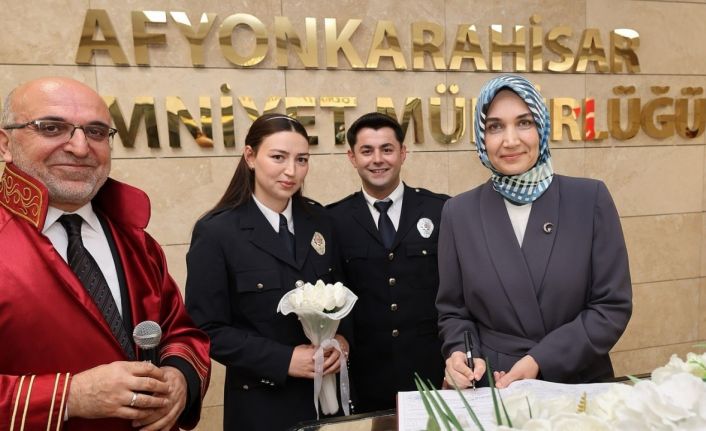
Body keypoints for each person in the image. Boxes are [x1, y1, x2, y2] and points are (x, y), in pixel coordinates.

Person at [0, 77, 210, 431]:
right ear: (5, 144)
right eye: (52, 128)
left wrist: (180, 378)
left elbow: (180, 331)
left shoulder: (136, 241)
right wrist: (70, 396)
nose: (80, 147)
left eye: (96, 132)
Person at [437, 74, 632, 390]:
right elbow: (453, 313)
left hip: (577, 381)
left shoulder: (589, 198)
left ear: (542, 127)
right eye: (495, 126)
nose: (510, 140)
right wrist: (462, 353)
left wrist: (540, 359)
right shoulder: (458, 212)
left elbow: (611, 307)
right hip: (495, 384)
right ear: (481, 136)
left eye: (524, 123)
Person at [185, 113, 349, 431]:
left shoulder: (321, 221)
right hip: (262, 408)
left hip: (328, 407)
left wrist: (342, 341)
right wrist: (283, 359)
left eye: (301, 159)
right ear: (250, 156)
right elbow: (206, 328)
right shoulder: (218, 232)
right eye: (278, 157)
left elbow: (344, 293)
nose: (291, 171)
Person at [327, 112, 448, 412]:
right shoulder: (333, 220)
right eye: (367, 151)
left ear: (403, 153)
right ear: (352, 157)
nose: (377, 159)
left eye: (387, 149)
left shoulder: (441, 210)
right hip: (366, 376)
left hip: (432, 370)